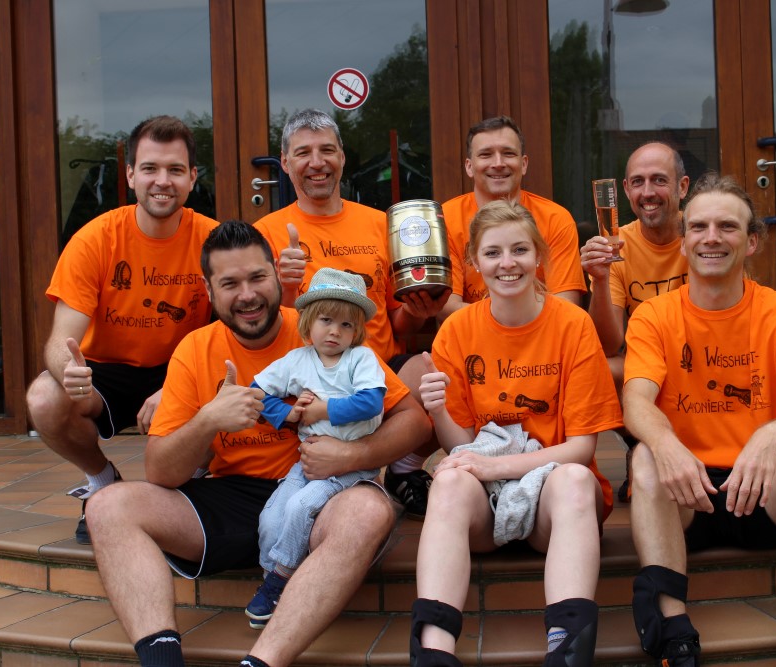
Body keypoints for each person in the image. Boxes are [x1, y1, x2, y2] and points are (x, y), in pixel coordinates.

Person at [85, 220, 431, 667]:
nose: (247, 294)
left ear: (276, 276)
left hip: (319, 491)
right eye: (230, 283)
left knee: (368, 510)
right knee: (107, 506)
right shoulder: (195, 348)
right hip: (233, 495)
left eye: (257, 277)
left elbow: (413, 421)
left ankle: (262, 662)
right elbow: (160, 472)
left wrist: (354, 455)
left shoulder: (326, 331)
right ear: (210, 292)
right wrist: (209, 420)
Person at [621, 174, 776, 667]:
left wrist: (772, 434)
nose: (711, 238)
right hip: (688, 496)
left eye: (727, 226)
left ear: (751, 242)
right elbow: (636, 401)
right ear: (683, 241)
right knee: (644, 456)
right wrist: (666, 444)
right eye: (699, 227)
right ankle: (672, 632)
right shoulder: (653, 316)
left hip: (763, 492)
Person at [411, 200, 623, 667]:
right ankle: (433, 653)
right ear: (474, 262)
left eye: (520, 250)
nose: (507, 263)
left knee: (575, 479)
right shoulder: (457, 330)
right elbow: (462, 448)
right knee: (447, 482)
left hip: (555, 499)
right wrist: (437, 409)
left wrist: (497, 466)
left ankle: (567, 652)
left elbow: (581, 448)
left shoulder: (573, 325)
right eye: (492, 253)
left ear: (539, 256)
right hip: (485, 504)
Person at [25, 115, 218, 544]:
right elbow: (60, 339)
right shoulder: (95, 240)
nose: (162, 181)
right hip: (106, 371)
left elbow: (236, 333)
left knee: (230, 384)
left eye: (175, 169)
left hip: (180, 366)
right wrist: (68, 372)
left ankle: (192, 485)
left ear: (192, 177)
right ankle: (101, 482)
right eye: (150, 168)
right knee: (43, 398)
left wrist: (178, 385)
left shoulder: (214, 241)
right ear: (130, 175)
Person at [255, 109, 449, 519]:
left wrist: (419, 311)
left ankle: (401, 469)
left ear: (342, 156)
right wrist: (287, 287)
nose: (317, 162)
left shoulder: (379, 224)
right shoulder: (266, 233)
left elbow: (397, 322)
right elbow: (267, 331)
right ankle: (350, 470)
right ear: (285, 162)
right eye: (303, 153)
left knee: (437, 370)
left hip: (376, 370)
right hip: (312, 376)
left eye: (327, 150)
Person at [245, 267, 385, 629]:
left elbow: (371, 402)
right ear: (308, 322)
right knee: (270, 517)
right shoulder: (297, 360)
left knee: (301, 506)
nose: (335, 331)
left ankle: (280, 581)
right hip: (307, 460)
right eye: (326, 321)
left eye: (346, 325)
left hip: (349, 465)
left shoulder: (360, 359)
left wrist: (321, 410)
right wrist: (288, 414)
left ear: (356, 331)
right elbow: (256, 391)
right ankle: (271, 579)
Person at [438, 115, 586, 321]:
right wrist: (503, 326)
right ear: (469, 166)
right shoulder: (446, 219)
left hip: (541, 335)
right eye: (486, 154)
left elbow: (566, 304)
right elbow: (446, 306)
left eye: (508, 153)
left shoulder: (555, 218)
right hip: (471, 336)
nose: (498, 163)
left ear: (523, 164)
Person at [580, 141, 690, 393]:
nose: (647, 192)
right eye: (638, 182)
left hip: (701, 355)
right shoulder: (617, 246)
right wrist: (600, 279)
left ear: (682, 187)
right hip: (644, 361)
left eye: (659, 180)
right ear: (627, 190)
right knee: (595, 367)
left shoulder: (704, 235)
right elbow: (607, 346)